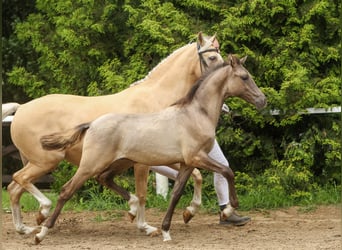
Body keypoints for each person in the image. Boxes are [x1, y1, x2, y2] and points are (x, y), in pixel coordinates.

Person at [150, 104, 250, 226]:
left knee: (222, 165)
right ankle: (223, 212)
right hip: (186, 129)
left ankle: (225, 210)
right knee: (154, 161)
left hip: (198, 128)